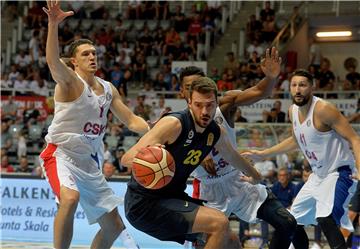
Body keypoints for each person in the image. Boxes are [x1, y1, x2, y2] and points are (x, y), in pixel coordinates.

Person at [40, 2, 149, 249]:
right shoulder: (69, 82)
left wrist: (158, 130)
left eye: (94, 53)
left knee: (114, 228)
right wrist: (53, 25)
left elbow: (131, 120)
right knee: (70, 199)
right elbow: (52, 61)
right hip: (61, 155)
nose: (92, 57)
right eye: (86, 54)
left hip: (89, 162)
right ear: (74, 62)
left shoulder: (108, 88)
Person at [121, 77, 262, 249]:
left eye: (209, 105)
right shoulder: (174, 124)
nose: (204, 111)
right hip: (145, 204)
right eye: (198, 105)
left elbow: (232, 156)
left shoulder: (215, 132)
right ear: (189, 103)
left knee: (230, 241)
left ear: (217, 103)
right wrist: (151, 157)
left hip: (172, 198)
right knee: (220, 223)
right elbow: (126, 159)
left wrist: (255, 176)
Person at [182, 48, 297, 249]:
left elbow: (261, 92)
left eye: (200, 84)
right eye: (190, 87)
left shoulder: (224, 105)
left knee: (287, 223)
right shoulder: (176, 123)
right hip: (209, 190)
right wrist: (197, 156)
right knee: (222, 243)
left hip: (239, 180)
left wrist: (270, 78)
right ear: (183, 93)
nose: (197, 89)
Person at [243, 69, 360, 249]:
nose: (298, 90)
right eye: (294, 85)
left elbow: (354, 138)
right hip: (318, 176)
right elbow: (296, 139)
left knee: (326, 218)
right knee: (290, 221)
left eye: (303, 85)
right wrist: (263, 153)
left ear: (311, 87)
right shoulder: (292, 111)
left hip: (339, 173)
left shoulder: (323, 109)